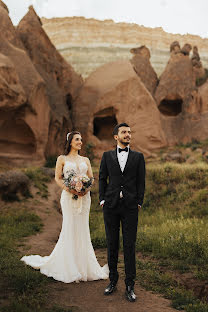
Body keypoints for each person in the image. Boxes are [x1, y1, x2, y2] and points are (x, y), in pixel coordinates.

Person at [21, 131, 109, 283]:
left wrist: (85, 189)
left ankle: (84, 266)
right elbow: (57, 177)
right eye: (77, 139)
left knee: (82, 228)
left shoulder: (85, 159)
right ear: (70, 142)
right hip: (68, 197)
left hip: (84, 198)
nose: (80, 142)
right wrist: (70, 189)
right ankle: (68, 265)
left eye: (81, 139)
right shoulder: (62, 159)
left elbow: (92, 178)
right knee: (69, 227)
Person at [99, 123, 145, 302]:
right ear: (116, 136)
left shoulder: (139, 157)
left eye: (129, 132)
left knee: (129, 246)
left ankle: (130, 285)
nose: (128, 135)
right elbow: (102, 178)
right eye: (124, 132)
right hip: (110, 205)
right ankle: (112, 281)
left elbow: (141, 182)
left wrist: (139, 202)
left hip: (131, 207)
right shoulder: (107, 156)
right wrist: (102, 199)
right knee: (112, 244)